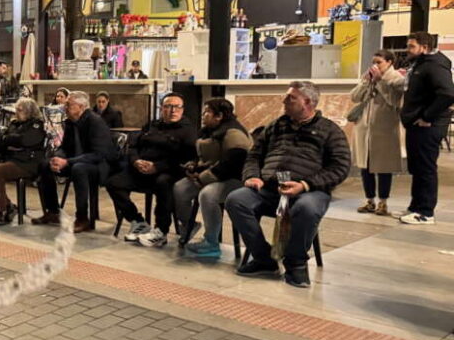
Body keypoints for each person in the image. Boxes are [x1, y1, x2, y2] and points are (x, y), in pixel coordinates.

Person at [226, 81, 351, 287]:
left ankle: (296, 264)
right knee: (236, 200)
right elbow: (254, 155)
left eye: (290, 98)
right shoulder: (276, 125)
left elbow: (340, 167)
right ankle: (263, 258)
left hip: (308, 191)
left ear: (308, 102)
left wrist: (305, 184)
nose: (283, 101)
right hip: (269, 188)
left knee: (306, 208)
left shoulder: (329, 130)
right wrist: (252, 175)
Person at [107, 92, 197, 248]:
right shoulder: (152, 125)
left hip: (168, 171)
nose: (172, 110)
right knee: (113, 182)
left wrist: (157, 167)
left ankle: (161, 231)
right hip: (141, 168)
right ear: (161, 108)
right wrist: (136, 161)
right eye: (168, 106)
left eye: (177, 107)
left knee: (164, 183)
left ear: (182, 110)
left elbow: (185, 158)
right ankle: (138, 221)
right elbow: (134, 145)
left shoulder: (188, 131)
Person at [173, 98, 251, 258]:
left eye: (207, 112)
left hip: (234, 179)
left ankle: (211, 241)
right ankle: (189, 224)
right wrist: (193, 166)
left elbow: (234, 163)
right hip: (210, 174)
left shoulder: (234, 133)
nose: (203, 115)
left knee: (208, 195)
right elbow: (205, 156)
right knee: (180, 188)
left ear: (219, 116)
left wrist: (203, 178)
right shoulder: (207, 130)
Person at [33, 91, 114, 233]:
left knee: (79, 169)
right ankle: (53, 211)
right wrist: (57, 158)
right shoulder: (70, 122)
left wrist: (67, 162)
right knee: (45, 165)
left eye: (68, 105)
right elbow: (64, 147)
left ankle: (82, 218)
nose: (65, 108)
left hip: (98, 165)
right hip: (75, 161)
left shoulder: (95, 122)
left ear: (81, 107)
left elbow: (98, 154)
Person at [398, 32, 454, 224]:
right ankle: (416, 206)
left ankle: (425, 212)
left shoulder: (435, 65)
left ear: (424, 47)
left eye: (412, 46)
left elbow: (447, 94)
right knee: (418, 168)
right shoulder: (420, 64)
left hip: (427, 126)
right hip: (415, 124)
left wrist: (426, 116)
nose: (408, 50)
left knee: (426, 168)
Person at [350, 50, 405, 217]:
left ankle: (383, 202)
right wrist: (366, 83)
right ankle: (369, 200)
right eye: (373, 62)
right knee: (365, 166)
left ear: (389, 62)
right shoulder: (368, 76)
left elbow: (394, 101)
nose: (375, 65)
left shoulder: (397, 79)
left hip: (384, 129)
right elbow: (355, 97)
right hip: (364, 128)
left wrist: (380, 82)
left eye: (379, 62)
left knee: (383, 166)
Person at [0, 97, 46, 226]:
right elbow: (3, 140)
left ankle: (2, 212)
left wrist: (11, 139)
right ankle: (9, 205)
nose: (16, 112)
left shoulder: (37, 125)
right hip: (12, 159)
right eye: (16, 109)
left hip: (27, 163)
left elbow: (26, 141)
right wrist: (13, 140)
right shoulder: (15, 123)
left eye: (20, 110)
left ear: (29, 111)